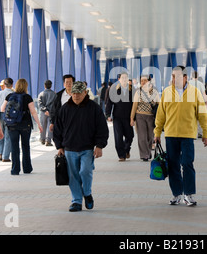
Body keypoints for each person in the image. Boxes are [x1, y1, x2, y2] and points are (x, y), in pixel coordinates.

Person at [154, 66, 207, 206]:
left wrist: (206, 133)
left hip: (188, 134)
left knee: (187, 163)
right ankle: (177, 194)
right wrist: (157, 133)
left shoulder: (195, 92)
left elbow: (202, 114)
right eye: (172, 76)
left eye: (177, 76)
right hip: (171, 134)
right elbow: (160, 115)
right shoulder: (166, 92)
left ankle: (189, 194)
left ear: (185, 78)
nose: (173, 79)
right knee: (173, 165)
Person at [53, 81, 109, 212]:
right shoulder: (65, 109)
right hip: (69, 149)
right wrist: (59, 146)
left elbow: (102, 128)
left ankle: (87, 193)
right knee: (73, 176)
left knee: (85, 171)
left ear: (85, 93)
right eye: (73, 93)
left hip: (87, 148)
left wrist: (99, 146)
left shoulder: (94, 108)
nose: (76, 96)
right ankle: (76, 201)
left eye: (79, 93)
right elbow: (57, 129)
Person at [1, 79, 43, 175]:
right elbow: (33, 112)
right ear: (25, 86)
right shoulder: (27, 97)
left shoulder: (10, 96)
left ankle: (15, 170)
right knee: (25, 146)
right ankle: (27, 168)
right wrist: (39, 125)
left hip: (12, 125)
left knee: (14, 147)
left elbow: (2, 109)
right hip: (25, 125)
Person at [105, 71, 135, 161]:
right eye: (122, 78)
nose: (124, 79)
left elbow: (135, 105)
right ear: (119, 79)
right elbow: (109, 103)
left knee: (130, 136)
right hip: (117, 117)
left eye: (126, 78)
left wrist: (134, 118)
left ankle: (126, 149)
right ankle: (121, 155)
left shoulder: (132, 90)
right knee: (118, 137)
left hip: (128, 117)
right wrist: (108, 115)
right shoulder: (114, 90)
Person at [130, 75, 160, 161]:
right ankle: (144, 155)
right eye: (142, 80)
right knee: (142, 137)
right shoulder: (138, 92)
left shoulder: (154, 91)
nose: (143, 82)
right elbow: (134, 105)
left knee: (150, 137)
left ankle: (148, 152)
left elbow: (159, 104)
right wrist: (132, 118)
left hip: (151, 116)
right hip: (140, 116)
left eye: (145, 80)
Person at [0, 78, 14, 161]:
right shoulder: (14, 94)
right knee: (8, 136)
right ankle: (6, 156)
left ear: (4, 85)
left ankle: (0, 153)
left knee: (0, 133)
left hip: (0, 115)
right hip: (10, 116)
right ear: (12, 85)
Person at [38, 80, 57, 146]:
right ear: (51, 86)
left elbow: (40, 104)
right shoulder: (54, 94)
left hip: (43, 112)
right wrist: (50, 111)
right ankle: (48, 141)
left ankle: (42, 139)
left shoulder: (41, 93)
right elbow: (55, 104)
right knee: (50, 126)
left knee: (43, 125)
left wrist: (45, 110)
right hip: (51, 112)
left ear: (44, 85)